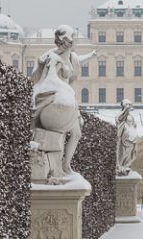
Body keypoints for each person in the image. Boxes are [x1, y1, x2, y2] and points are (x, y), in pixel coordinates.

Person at [31, 25, 97, 175]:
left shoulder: (72, 57)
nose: (74, 41)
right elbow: (41, 78)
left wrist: (91, 55)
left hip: (68, 100)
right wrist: (42, 64)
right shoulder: (52, 56)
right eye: (72, 38)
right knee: (60, 133)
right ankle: (59, 167)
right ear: (66, 41)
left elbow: (78, 60)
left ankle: (66, 165)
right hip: (56, 99)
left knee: (77, 134)